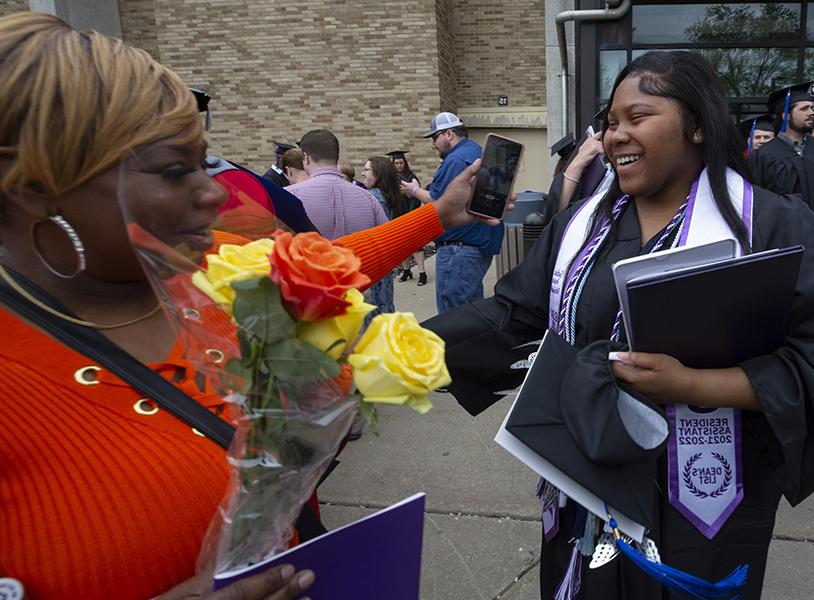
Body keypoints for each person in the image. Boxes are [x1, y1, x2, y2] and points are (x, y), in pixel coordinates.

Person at [0, 13, 507, 598]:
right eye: (173, 170)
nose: (215, 190)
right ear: (33, 188)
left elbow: (324, 269)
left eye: (203, 160)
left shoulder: (202, 261)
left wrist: (436, 215)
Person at [424, 51, 814, 599]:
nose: (616, 136)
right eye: (611, 123)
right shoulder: (580, 228)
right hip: (583, 479)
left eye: (637, 118)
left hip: (702, 500)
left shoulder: (768, 223)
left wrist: (692, 385)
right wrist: (401, 346)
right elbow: (513, 317)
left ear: (697, 126)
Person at [401, 112, 503, 312]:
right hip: (478, 244)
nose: (433, 144)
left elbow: (439, 202)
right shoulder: (476, 151)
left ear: (449, 134)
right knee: (471, 311)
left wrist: (413, 190)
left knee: (453, 314)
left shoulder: (455, 159)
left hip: (459, 247)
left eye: (434, 137)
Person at [748, 82, 814, 227]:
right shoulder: (763, 156)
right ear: (786, 115)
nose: (811, 112)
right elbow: (757, 201)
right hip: (784, 235)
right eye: (804, 108)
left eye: (811, 107)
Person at [285, 130, 387, 240]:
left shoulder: (287, 196)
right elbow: (387, 240)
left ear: (306, 158)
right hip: (359, 256)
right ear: (336, 156)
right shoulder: (368, 198)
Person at [361, 155, 417, 316]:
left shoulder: (372, 199)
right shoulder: (390, 196)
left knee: (374, 314)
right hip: (385, 264)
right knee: (384, 307)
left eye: (366, 169)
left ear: (378, 174)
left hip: (372, 263)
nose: (363, 173)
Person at [389, 150, 427, 285]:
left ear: (405, 163)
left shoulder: (411, 178)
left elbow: (416, 196)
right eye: (396, 163)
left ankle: (422, 273)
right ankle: (406, 271)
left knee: (416, 245)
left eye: (401, 163)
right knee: (401, 246)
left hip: (410, 214)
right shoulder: (391, 180)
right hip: (397, 214)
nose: (399, 165)